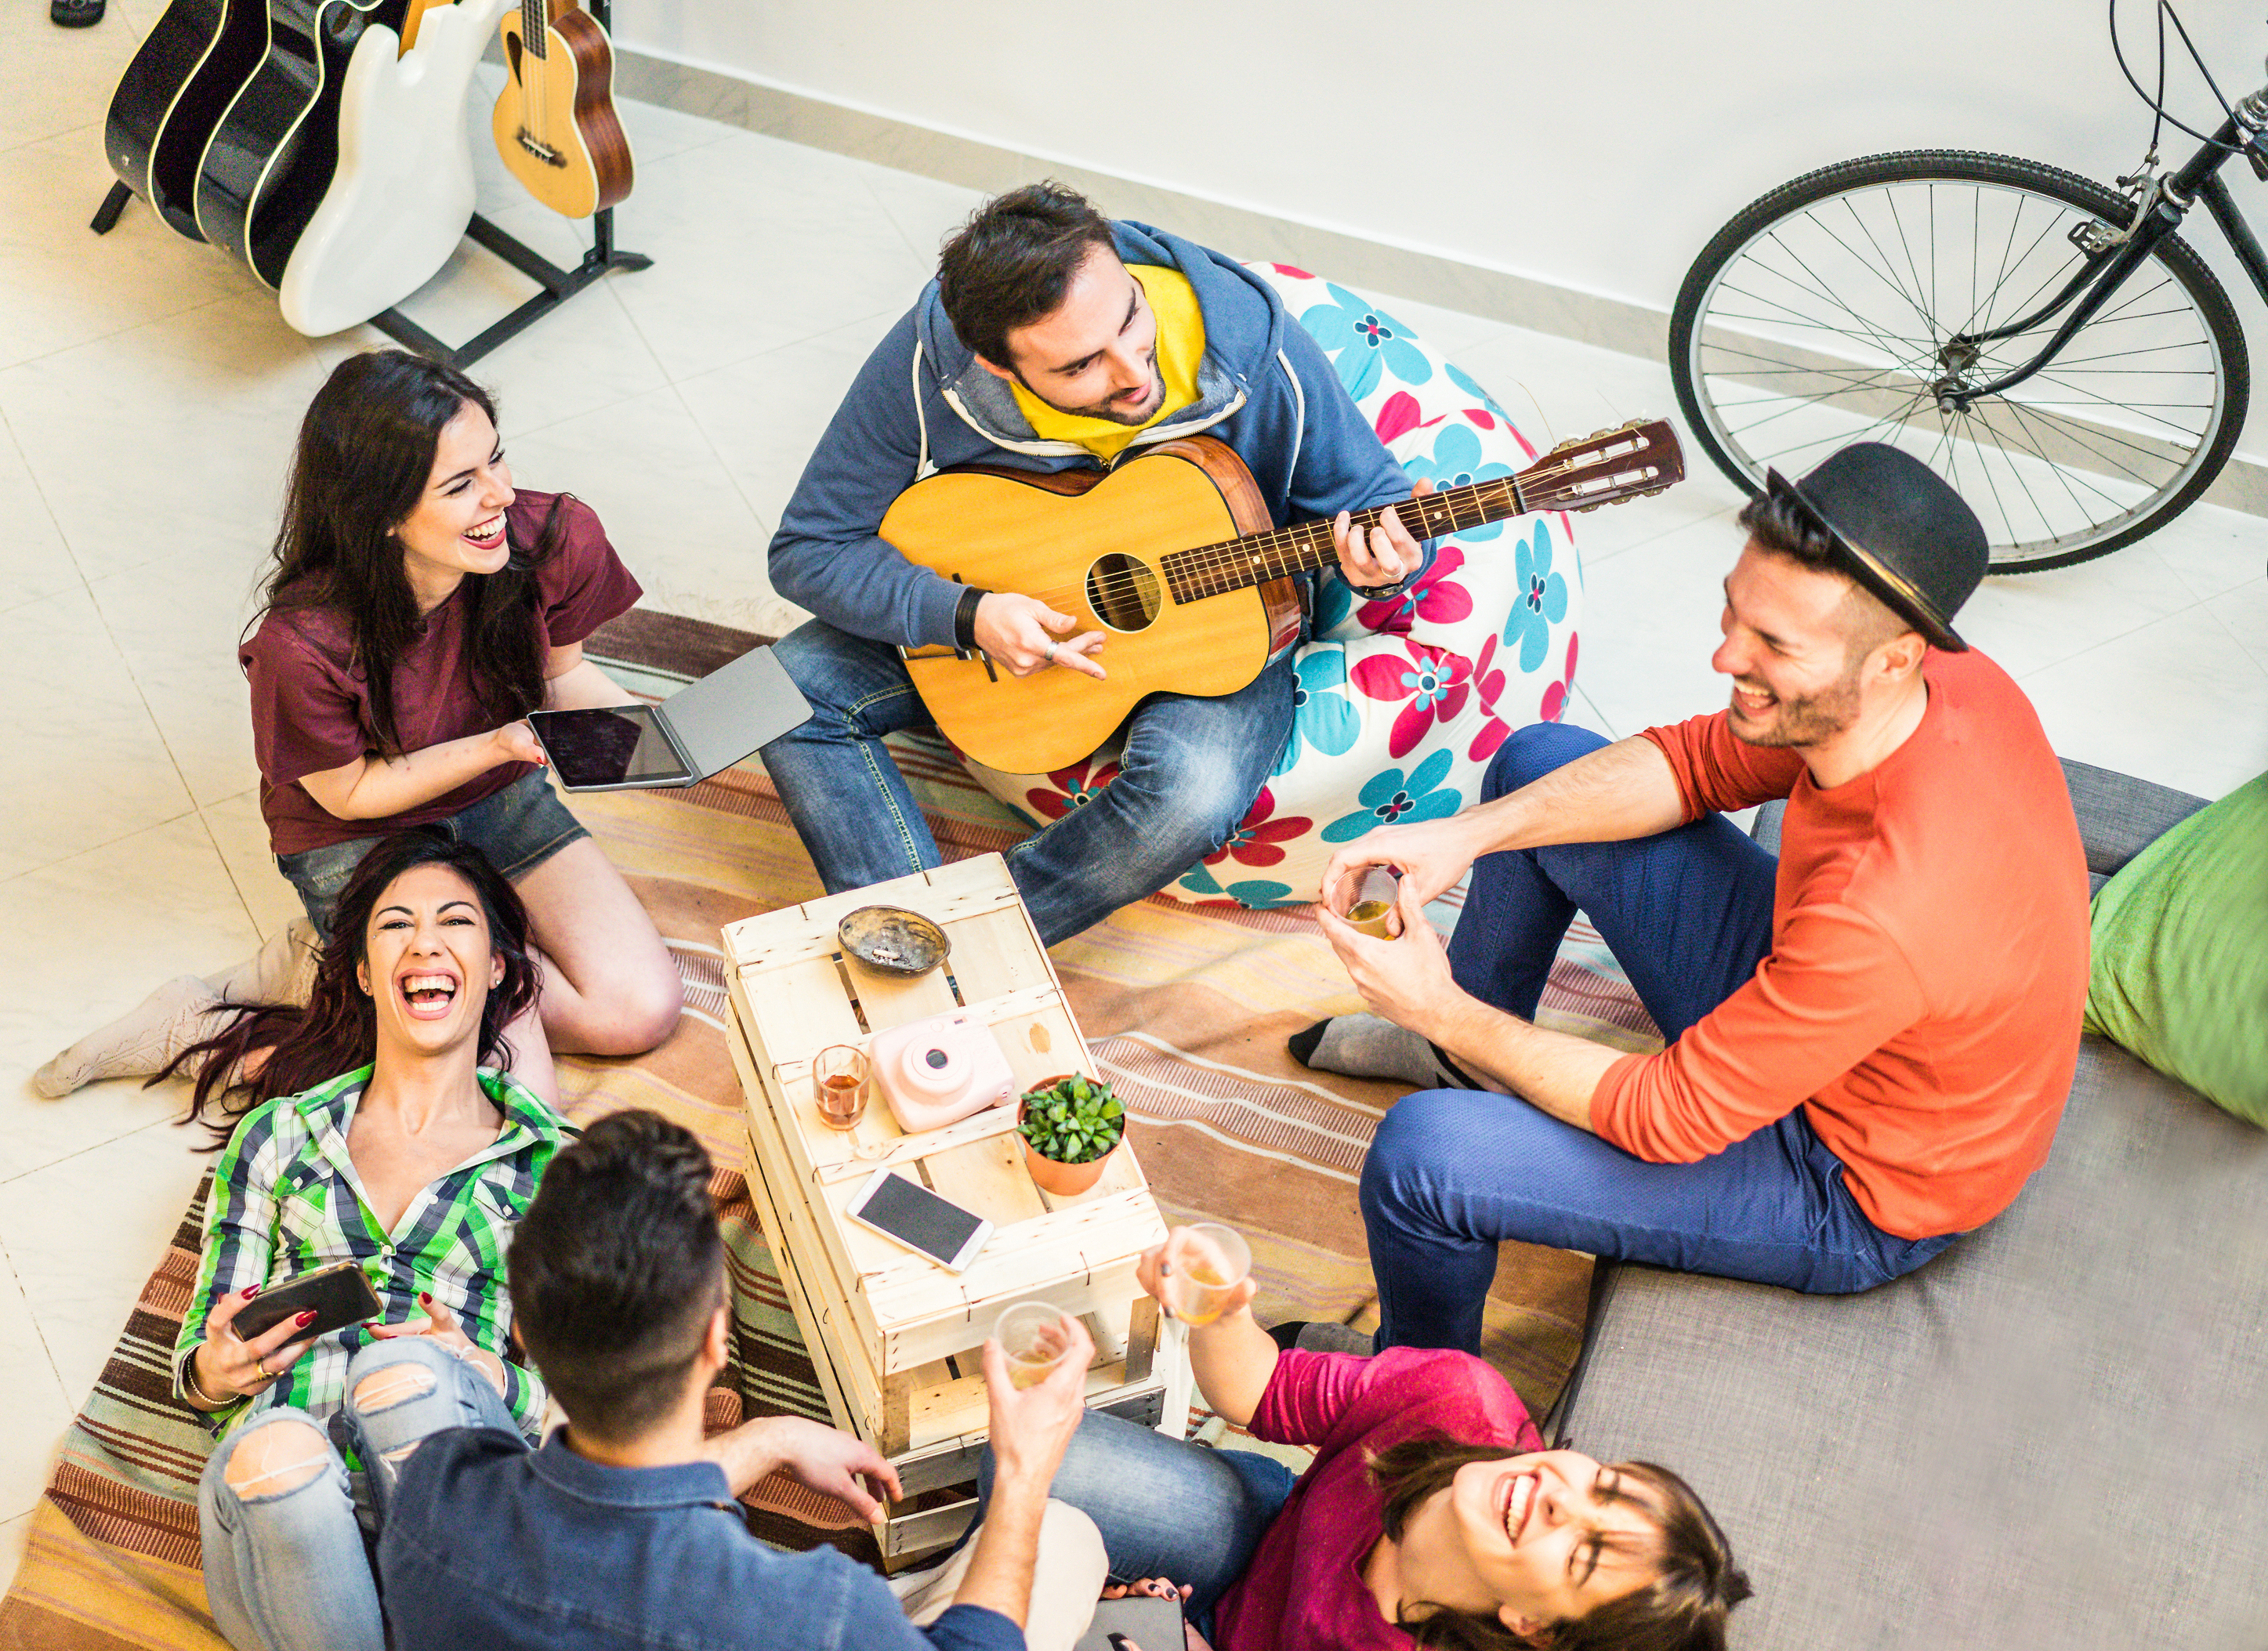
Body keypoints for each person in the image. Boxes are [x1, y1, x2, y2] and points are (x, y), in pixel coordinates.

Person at [1292, 443, 2092, 1350]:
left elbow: (1664, 1114)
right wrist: (1464, 835)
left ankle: (1415, 1394)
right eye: (1734, 614)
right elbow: (1694, 763)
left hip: (1845, 1176)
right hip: (1829, 1002)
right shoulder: (1939, 681)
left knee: (1425, 1155)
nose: (1724, 656)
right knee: (1536, 766)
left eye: (1774, 646)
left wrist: (1434, 1005)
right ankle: (1460, 1059)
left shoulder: (1889, 907)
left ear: (1891, 660)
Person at [759, 181, 1434, 945]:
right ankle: (900, 936)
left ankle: (975, 946)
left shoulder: (1248, 343)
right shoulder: (929, 369)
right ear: (998, 367)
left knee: (1191, 798)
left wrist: (1386, 563)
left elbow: (1372, 498)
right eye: (1081, 365)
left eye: (1131, 318)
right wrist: (967, 613)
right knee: (780, 693)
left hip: (1221, 630)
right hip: (1004, 603)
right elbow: (809, 548)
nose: (1134, 372)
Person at [34, 349, 681, 1102]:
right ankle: (247, 1010)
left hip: (497, 798)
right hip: (359, 835)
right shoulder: (301, 644)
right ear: (383, 514)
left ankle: (345, 973)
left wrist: (658, 737)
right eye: (461, 485)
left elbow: (561, 674)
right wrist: (496, 746)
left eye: (496, 458)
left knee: (638, 1011)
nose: (501, 495)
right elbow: (349, 793)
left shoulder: (550, 537)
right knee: (511, 1082)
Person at [372, 1109, 1110, 1651]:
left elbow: (615, 1516)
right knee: (1064, 1537)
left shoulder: (435, 1497)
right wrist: (1021, 1472)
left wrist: (769, 1437)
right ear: (717, 1338)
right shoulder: (816, 1611)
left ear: (526, 1337)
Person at [992, 1225, 1748, 1651]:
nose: (1561, 1497)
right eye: (1602, 1482)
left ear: (1534, 1627)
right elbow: (1259, 1388)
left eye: (1581, 1552)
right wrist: (1219, 1313)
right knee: (1023, 1455)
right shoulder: (1461, 1397)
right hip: (1255, 1532)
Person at [181, 831, 571, 1651]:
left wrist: (485, 1369)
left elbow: (587, 1408)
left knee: (404, 1376)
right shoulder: (279, 1135)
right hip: (283, 1518)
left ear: (495, 967)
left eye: (455, 921)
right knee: (278, 1450)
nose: (425, 942)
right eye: (397, 924)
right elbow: (197, 1369)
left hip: (455, 1478)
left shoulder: (551, 1162)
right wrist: (218, 1367)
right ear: (364, 973)